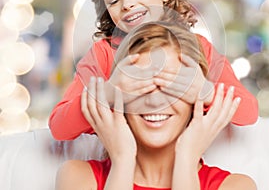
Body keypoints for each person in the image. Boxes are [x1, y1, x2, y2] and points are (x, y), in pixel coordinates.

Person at [49, 0, 258, 141]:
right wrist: (108, 93)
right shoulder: (102, 54)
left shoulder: (198, 47)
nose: (128, 4)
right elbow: (59, 127)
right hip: (122, 170)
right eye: (113, 0)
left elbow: (249, 112)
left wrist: (205, 91)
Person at [55, 22, 257, 190]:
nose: (154, 101)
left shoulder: (236, 186)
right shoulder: (78, 177)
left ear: (198, 100)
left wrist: (186, 160)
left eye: (172, 86)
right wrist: (122, 160)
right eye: (141, 85)